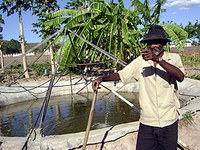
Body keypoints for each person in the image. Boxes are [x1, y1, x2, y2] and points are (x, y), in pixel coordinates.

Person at [92, 25, 185, 150]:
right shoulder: (140, 61)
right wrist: (102, 78)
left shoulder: (173, 58)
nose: (152, 46)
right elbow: (121, 74)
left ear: (163, 43)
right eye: (149, 43)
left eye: (156, 42)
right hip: (147, 121)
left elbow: (180, 76)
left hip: (169, 120)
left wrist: (158, 59)